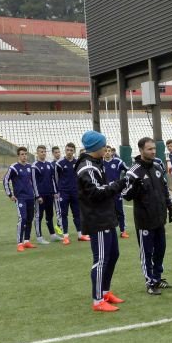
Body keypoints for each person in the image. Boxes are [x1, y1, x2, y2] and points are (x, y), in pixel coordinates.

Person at [76, 131, 129, 312]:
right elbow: (96, 192)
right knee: (101, 260)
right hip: (97, 219)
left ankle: (105, 292)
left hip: (106, 216)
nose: (106, 148)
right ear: (96, 147)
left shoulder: (96, 163)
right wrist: (119, 184)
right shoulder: (87, 167)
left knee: (113, 255)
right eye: (103, 145)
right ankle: (97, 300)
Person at [124, 137, 172, 295]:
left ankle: (158, 278)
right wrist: (134, 188)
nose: (153, 151)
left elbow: (164, 189)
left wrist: (170, 207)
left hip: (159, 217)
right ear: (141, 150)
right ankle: (150, 282)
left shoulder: (157, 167)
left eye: (154, 148)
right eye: (149, 149)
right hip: (144, 219)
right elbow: (125, 195)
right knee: (147, 252)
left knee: (160, 249)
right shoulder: (133, 171)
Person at [4, 147, 41, 252]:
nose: (24, 156)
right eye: (22, 154)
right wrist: (10, 194)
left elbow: (34, 182)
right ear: (18, 156)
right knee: (23, 218)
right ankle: (19, 243)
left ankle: (26, 241)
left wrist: (37, 195)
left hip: (30, 197)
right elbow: (5, 180)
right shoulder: (14, 167)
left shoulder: (30, 167)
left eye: (25, 154)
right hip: (20, 198)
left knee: (29, 219)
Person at [56, 143, 89, 241]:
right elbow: (56, 178)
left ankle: (80, 235)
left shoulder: (78, 162)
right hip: (64, 192)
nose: (69, 152)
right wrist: (57, 191)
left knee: (77, 213)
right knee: (64, 214)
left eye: (71, 150)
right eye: (67, 150)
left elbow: (81, 177)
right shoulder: (59, 163)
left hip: (75, 192)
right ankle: (65, 236)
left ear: (74, 151)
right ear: (65, 150)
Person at [32, 145, 63, 245]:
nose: (43, 153)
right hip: (40, 196)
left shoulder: (49, 165)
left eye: (44, 151)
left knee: (50, 215)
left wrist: (54, 192)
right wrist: (37, 196)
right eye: (41, 152)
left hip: (49, 194)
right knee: (39, 216)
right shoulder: (34, 166)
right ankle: (39, 237)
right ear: (37, 153)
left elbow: (52, 179)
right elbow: (34, 182)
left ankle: (53, 235)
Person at [104, 145, 130, 238]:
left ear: (112, 152)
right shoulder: (100, 163)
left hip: (117, 191)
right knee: (106, 211)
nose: (107, 152)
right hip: (105, 192)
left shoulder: (118, 162)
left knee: (120, 211)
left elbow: (128, 171)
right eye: (105, 151)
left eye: (109, 150)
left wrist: (124, 183)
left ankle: (123, 231)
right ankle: (108, 230)